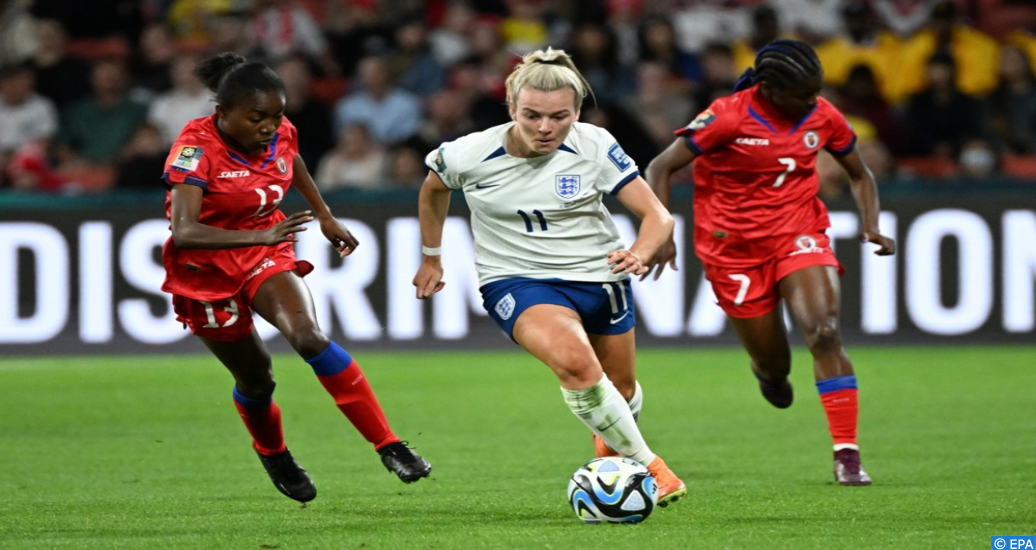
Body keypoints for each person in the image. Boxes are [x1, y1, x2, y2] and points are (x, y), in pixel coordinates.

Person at [412, 47, 687, 507]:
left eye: (559, 116)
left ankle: (610, 453)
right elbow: (433, 188)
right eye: (532, 116)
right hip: (516, 279)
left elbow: (659, 217)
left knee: (618, 391)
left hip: (601, 278)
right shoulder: (468, 154)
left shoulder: (594, 144)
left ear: (577, 112)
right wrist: (431, 256)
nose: (545, 128)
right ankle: (653, 469)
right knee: (575, 363)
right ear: (511, 109)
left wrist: (639, 253)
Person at [159, 52, 431, 503]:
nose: (269, 126)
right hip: (204, 271)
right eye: (256, 117)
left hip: (265, 252)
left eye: (276, 115)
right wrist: (262, 233)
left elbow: (293, 159)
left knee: (308, 337)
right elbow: (185, 231)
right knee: (257, 381)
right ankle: (273, 451)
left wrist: (325, 215)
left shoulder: (279, 131)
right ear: (222, 114)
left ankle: (390, 444)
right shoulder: (194, 150)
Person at [644, 39, 895, 486]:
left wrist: (871, 223)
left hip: (798, 232)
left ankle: (847, 454)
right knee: (774, 369)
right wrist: (661, 230)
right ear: (770, 90)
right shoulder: (728, 116)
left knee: (825, 330)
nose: (813, 101)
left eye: (816, 91)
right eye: (803, 94)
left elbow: (860, 174)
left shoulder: (822, 115)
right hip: (732, 249)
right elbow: (660, 168)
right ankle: (770, 375)